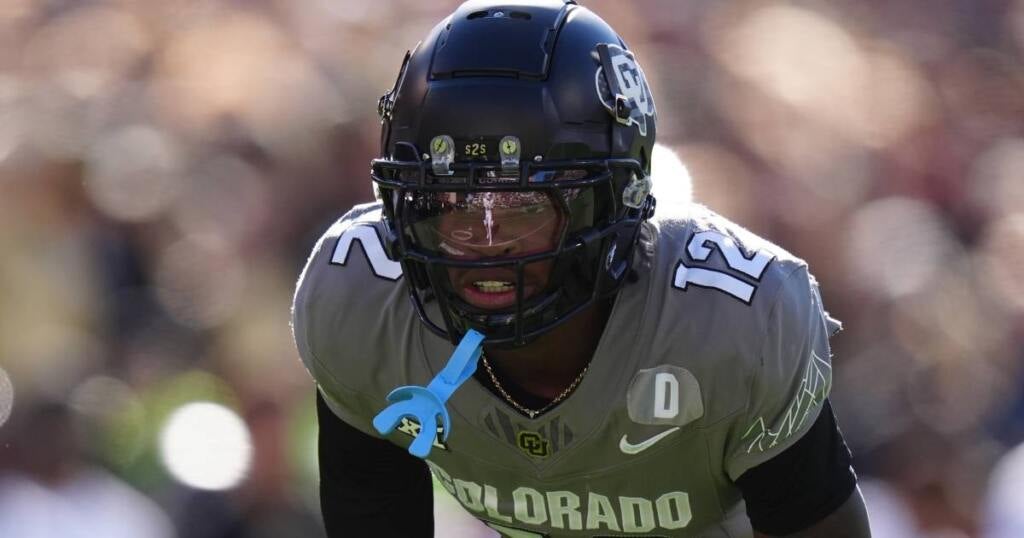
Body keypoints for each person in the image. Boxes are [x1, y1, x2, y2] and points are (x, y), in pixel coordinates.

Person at [291, 1, 871, 536]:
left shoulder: (731, 322)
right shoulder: (360, 301)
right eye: (451, 204)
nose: (485, 242)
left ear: (616, 197)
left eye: (523, 205)